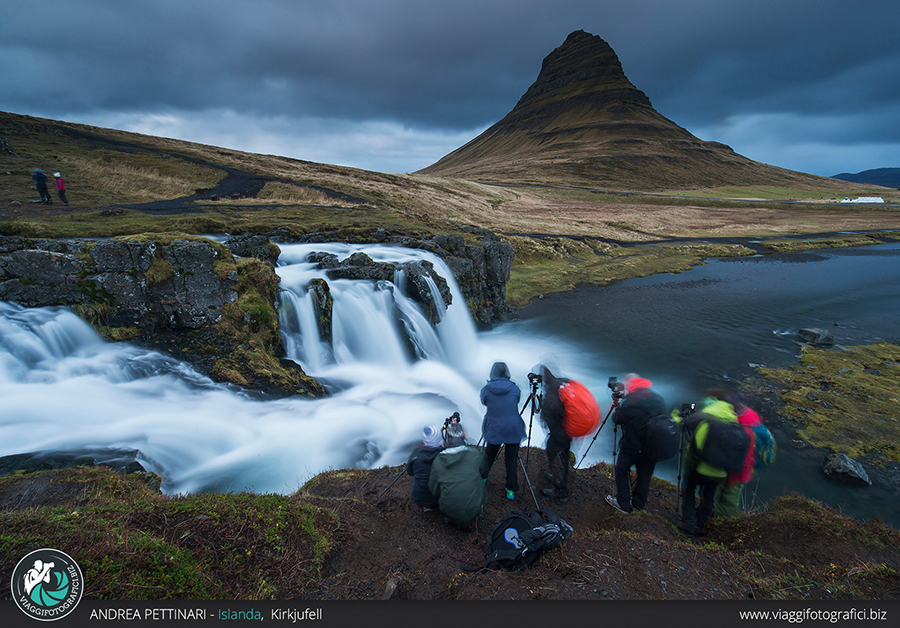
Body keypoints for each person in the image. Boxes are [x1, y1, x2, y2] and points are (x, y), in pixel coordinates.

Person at [678, 394, 739, 537]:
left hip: (701, 468)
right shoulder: (733, 420)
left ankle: (689, 524)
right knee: (709, 496)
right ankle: (701, 523)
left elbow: (695, 446)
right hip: (721, 471)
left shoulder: (705, 418)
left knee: (688, 491)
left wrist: (690, 469)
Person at [605, 373, 667, 514]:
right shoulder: (657, 398)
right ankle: (639, 506)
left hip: (632, 446)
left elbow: (617, 418)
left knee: (621, 469)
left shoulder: (631, 403)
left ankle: (623, 504)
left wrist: (618, 404)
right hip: (652, 446)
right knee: (644, 476)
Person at [480, 362, 525, 500]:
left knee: (489, 455)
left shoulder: (486, 389)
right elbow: (516, 400)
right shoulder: (515, 388)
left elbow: (484, 402)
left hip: (495, 427)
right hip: (513, 427)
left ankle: (482, 479)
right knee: (511, 459)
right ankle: (510, 490)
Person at [714, 392, 761, 517]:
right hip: (743, 467)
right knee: (727, 496)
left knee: (728, 499)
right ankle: (720, 519)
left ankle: (722, 526)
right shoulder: (752, 419)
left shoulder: (729, 420)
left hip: (733, 468)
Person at [428, 442, 487, 529]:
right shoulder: (475, 454)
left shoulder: (438, 461)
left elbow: (433, 489)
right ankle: (475, 514)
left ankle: (451, 518)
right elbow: (485, 473)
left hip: (448, 510)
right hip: (475, 509)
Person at [405, 425, 443, 511]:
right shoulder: (444, 456)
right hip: (438, 499)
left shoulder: (416, 454)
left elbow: (410, 472)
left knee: (417, 475)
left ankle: (426, 506)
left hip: (418, 497)